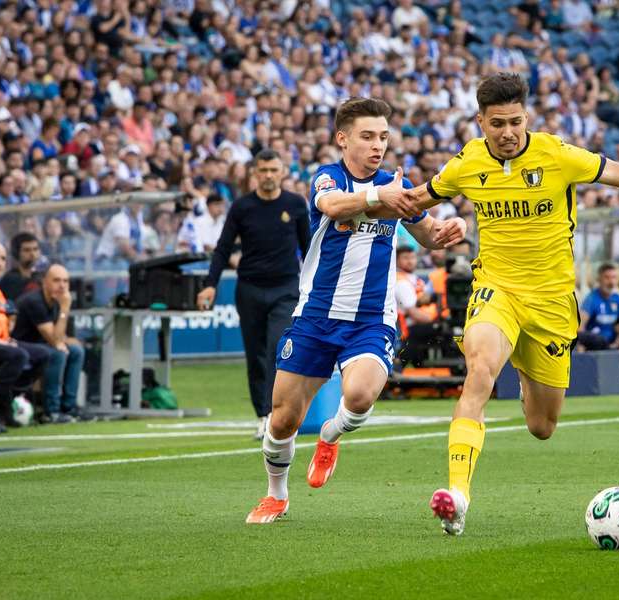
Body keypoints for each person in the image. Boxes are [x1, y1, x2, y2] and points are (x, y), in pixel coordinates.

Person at [400, 72, 619, 535]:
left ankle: (528, 370)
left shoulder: (557, 154)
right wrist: (425, 231)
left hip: (551, 302)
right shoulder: (465, 164)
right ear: (480, 121)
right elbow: (409, 203)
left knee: (542, 425)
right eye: (497, 124)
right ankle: (458, 496)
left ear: (527, 117)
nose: (508, 133)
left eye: (516, 122)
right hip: (497, 290)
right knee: (479, 372)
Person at [244, 97, 467, 524]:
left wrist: (447, 231)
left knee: (361, 397)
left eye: (383, 136)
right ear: (342, 139)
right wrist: (376, 194)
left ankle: (331, 435)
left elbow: (428, 234)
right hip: (315, 316)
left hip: (371, 319)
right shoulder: (327, 178)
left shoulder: (394, 185)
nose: (377, 145)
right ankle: (276, 495)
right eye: (367, 136)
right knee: (283, 419)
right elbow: (332, 206)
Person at [197, 149, 310, 439]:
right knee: (255, 355)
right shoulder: (242, 207)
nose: (269, 175)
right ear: (254, 173)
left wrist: (316, 287)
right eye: (264, 170)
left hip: (286, 288)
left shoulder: (296, 204)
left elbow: (309, 249)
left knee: (277, 349)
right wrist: (210, 283)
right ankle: (262, 415)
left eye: (274, 170)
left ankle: (277, 413)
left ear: (283, 171)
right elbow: (223, 247)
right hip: (249, 289)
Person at [0, 243, 51, 425]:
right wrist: (3, 344)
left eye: (3, 259)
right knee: (18, 355)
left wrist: (8, 334)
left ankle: (10, 395)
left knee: (43, 354)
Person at [12, 264, 86, 423]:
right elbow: (55, 340)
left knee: (76, 351)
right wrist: (65, 308)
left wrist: (67, 340)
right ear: (45, 282)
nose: (62, 285)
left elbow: (59, 336)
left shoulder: (56, 300)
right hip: (20, 346)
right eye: (57, 280)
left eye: (65, 281)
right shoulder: (35, 301)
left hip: (41, 345)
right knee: (57, 353)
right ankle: (51, 411)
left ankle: (69, 408)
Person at [0, 232, 43, 301]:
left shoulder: (40, 277)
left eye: (35, 249)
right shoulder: (10, 280)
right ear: (17, 253)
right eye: (27, 250)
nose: (32, 254)